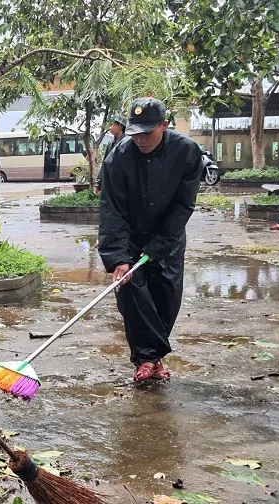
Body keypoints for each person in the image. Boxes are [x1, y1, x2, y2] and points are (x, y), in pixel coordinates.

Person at [98, 97, 203, 382]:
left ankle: (155, 357)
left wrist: (159, 246)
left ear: (164, 126)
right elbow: (112, 209)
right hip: (129, 237)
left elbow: (184, 204)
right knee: (133, 298)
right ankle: (144, 360)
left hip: (167, 235)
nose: (141, 139)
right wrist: (118, 257)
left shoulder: (187, 152)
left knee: (165, 297)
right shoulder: (117, 157)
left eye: (148, 132)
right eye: (136, 133)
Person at [94, 115, 127, 194]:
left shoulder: (127, 142)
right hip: (111, 182)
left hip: (124, 184)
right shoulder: (110, 143)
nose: (110, 127)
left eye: (113, 125)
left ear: (121, 126)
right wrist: (99, 183)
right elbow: (105, 163)